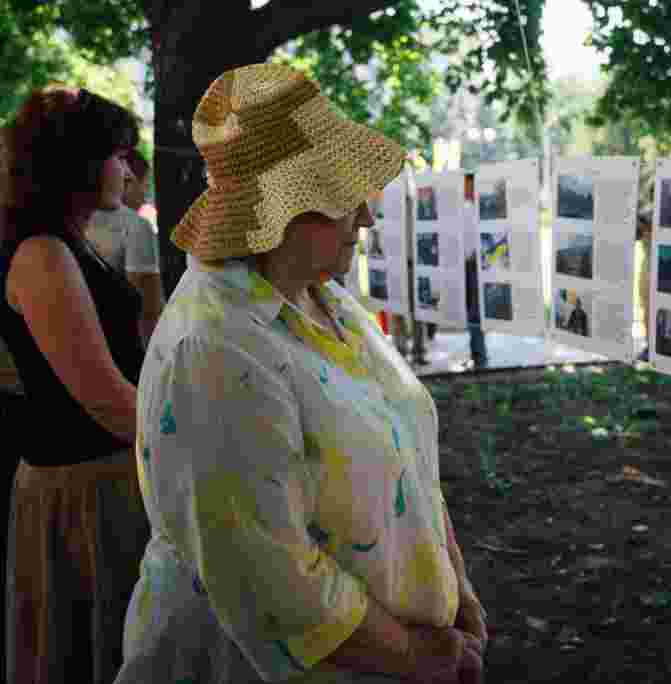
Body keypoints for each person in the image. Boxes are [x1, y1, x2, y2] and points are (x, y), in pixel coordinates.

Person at [114, 64, 486, 684]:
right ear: (280, 209)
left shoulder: (321, 297)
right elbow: (271, 578)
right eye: (342, 193)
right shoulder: (216, 349)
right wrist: (423, 657)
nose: (364, 216)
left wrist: (456, 589)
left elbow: (409, 457)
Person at [0, 85, 151, 684]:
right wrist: (205, 437)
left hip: (106, 478)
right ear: (79, 162)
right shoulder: (43, 254)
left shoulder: (70, 242)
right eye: (117, 153)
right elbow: (107, 403)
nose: (127, 167)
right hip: (85, 492)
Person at [85, 147, 165, 346]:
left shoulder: (72, 222)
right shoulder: (136, 226)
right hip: (125, 349)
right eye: (143, 184)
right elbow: (149, 309)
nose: (145, 193)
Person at [464, 173, 488, 368]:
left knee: (476, 312)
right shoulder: (463, 209)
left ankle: (480, 356)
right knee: (470, 311)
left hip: (478, 265)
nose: (468, 189)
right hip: (464, 265)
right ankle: (476, 354)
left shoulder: (483, 209)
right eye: (466, 186)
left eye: (471, 186)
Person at [636, 209, 653, 361]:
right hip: (648, 268)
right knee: (647, 309)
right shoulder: (645, 215)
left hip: (660, 265)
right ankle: (650, 345)